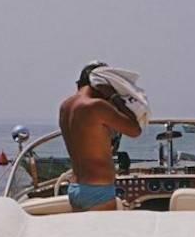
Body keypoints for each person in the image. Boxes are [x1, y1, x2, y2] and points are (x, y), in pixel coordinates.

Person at [58, 61, 144, 211]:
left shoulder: (65, 106)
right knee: (102, 234)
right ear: (101, 85)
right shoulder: (96, 106)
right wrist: (113, 96)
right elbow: (134, 129)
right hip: (98, 189)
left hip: (75, 187)